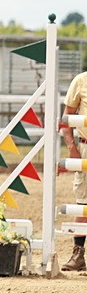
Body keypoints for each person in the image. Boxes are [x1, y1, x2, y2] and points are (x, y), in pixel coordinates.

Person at [62, 69, 87, 271]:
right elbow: (66, 118)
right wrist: (71, 147)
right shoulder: (80, 80)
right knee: (83, 201)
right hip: (86, 146)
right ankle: (78, 253)